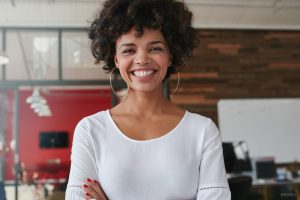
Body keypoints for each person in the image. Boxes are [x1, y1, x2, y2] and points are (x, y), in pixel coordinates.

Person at [66, 0, 231, 199]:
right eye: (129, 50)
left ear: (170, 56)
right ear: (116, 59)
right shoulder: (90, 130)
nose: (142, 59)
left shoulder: (203, 131)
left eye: (155, 48)